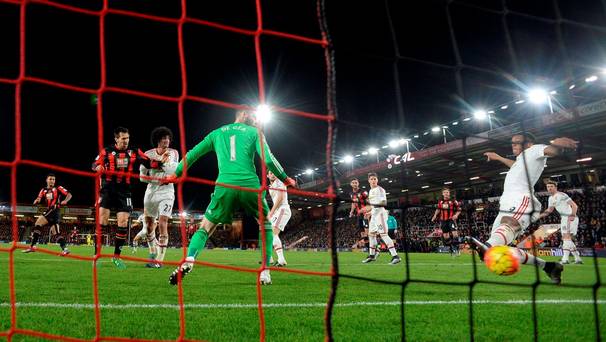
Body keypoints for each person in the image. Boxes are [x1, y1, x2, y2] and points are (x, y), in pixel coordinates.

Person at [166, 108, 296, 285]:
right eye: (252, 115)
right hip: (250, 186)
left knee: (205, 227)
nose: (255, 118)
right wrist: (285, 178)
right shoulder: (255, 132)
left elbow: (193, 154)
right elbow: (268, 160)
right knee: (265, 224)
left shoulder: (216, 133)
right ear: (242, 114)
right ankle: (265, 271)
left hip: (225, 186)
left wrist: (176, 173)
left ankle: (189, 259)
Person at [468, 132, 578, 284]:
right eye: (512, 142)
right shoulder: (522, 159)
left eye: (517, 142)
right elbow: (514, 166)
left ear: (528, 144)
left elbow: (552, 151)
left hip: (523, 200)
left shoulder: (533, 150)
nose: (513, 145)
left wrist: (558, 143)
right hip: (506, 204)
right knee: (498, 247)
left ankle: (486, 246)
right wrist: (499, 158)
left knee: (505, 229)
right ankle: (549, 267)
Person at [93, 126, 165, 269]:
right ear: (116, 139)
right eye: (123, 138)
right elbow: (94, 163)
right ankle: (97, 256)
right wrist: (97, 168)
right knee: (102, 221)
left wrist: (161, 162)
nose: (126, 141)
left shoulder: (134, 152)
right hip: (107, 190)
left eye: (128, 138)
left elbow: (149, 162)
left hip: (124, 191)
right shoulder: (106, 151)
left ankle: (116, 257)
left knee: (123, 222)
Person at [140, 126, 180, 267]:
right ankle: (152, 253)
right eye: (164, 138)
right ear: (158, 140)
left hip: (167, 191)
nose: (167, 141)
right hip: (151, 191)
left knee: (163, 222)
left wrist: (159, 166)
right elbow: (142, 177)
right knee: (150, 226)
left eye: (168, 138)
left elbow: (174, 171)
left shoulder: (174, 153)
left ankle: (159, 260)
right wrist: (158, 165)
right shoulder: (148, 154)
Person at [24, 173, 72, 255]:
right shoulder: (43, 190)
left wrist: (66, 201)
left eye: (53, 179)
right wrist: (37, 200)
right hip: (53, 212)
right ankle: (65, 249)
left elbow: (69, 194)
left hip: (54, 209)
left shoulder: (58, 188)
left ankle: (33, 246)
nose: (52, 181)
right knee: (55, 232)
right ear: (46, 180)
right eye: (50, 179)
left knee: (38, 223)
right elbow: (39, 198)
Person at [361, 173, 401, 265]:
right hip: (374, 216)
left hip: (380, 215)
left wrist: (369, 208)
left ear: (377, 180)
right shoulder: (371, 191)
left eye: (375, 179)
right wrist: (369, 212)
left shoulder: (380, 189)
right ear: (369, 180)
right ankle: (371, 256)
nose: (373, 180)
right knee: (371, 235)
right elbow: (373, 206)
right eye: (371, 179)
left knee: (384, 235)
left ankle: (395, 256)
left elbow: (384, 203)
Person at [538, 180, 582, 264]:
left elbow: (574, 205)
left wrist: (572, 215)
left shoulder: (562, 195)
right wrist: (539, 216)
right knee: (567, 238)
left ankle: (565, 259)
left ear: (555, 187)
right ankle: (577, 258)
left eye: (551, 186)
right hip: (564, 218)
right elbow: (549, 210)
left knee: (566, 238)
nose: (549, 188)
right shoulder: (550, 198)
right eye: (548, 187)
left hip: (569, 216)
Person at [268, 170, 291, 267]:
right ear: (267, 176)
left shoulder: (280, 182)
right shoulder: (270, 187)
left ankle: (281, 260)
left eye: (274, 172)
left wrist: (271, 212)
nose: (273, 174)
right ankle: (269, 258)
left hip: (283, 209)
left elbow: (280, 197)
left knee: (273, 233)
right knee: (268, 233)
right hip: (278, 211)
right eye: (270, 173)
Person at [431, 187, 461, 256]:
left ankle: (457, 249)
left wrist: (456, 215)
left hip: (451, 219)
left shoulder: (453, 200)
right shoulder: (440, 201)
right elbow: (438, 209)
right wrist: (435, 215)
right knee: (446, 237)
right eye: (444, 193)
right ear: (442, 194)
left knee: (455, 234)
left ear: (449, 193)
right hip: (443, 221)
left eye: (447, 192)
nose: (446, 194)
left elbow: (459, 209)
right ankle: (452, 249)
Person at [349, 178, 369, 250]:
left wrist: (368, 211)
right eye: (353, 183)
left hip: (365, 214)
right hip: (359, 215)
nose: (354, 184)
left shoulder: (363, 192)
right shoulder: (351, 194)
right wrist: (351, 211)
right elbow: (353, 203)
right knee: (362, 233)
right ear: (351, 184)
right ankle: (369, 251)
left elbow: (369, 201)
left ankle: (373, 250)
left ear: (358, 183)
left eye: (356, 182)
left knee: (367, 233)